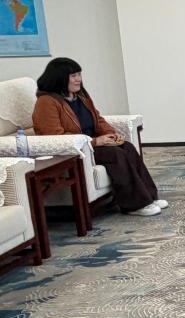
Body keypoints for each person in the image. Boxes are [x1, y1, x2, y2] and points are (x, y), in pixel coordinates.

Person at [32, 57, 166, 217]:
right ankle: (135, 205)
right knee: (115, 154)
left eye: (79, 74)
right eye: (73, 76)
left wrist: (110, 134)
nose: (78, 79)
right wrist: (95, 141)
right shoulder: (46, 102)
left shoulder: (81, 96)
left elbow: (98, 119)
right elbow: (55, 137)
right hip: (77, 151)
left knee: (127, 147)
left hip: (91, 145)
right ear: (59, 78)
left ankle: (150, 197)